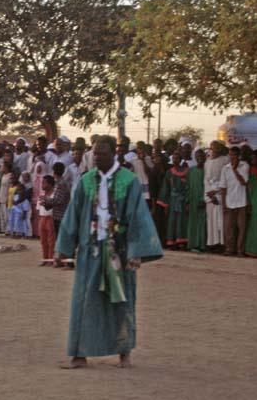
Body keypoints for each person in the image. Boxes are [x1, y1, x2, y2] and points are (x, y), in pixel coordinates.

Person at [55, 135, 163, 370]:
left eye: (102, 153)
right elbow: (73, 214)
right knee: (83, 301)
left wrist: (136, 252)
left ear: (114, 153)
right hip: (90, 251)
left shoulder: (129, 181)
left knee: (121, 301)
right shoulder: (86, 181)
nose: (97, 157)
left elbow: (138, 218)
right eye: (94, 153)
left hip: (119, 253)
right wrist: (63, 247)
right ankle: (79, 355)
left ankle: (124, 353)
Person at [220, 146, 249, 256]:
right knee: (229, 228)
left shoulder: (244, 166)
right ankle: (229, 249)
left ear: (239, 156)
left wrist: (235, 169)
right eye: (230, 155)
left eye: (234, 155)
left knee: (242, 228)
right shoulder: (225, 168)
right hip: (229, 201)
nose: (232, 157)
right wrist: (224, 204)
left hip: (241, 202)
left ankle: (240, 250)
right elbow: (223, 187)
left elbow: (244, 182)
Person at [157, 150, 189, 249]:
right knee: (172, 221)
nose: (175, 160)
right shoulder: (169, 172)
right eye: (173, 159)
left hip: (183, 200)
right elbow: (165, 188)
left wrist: (188, 200)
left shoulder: (187, 172)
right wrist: (165, 204)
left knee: (183, 220)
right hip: (173, 200)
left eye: (177, 158)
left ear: (180, 160)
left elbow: (189, 187)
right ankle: (172, 241)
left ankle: (182, 241)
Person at [204, 141, 229, 250]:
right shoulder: (207, 162)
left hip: (220, 193)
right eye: (211, 148)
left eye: (215, 148)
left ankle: (222, 243)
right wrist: (209, 194)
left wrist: (216, 191)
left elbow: (225, 178)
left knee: (221, 220)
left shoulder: (225, 160)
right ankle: (212, 243)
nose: (213, 150)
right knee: (211, 220)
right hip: (210, 194)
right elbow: (205, 179)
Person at [187, 149, 207, 252]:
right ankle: (193, 244)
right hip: (192, 199)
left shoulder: (207, 170)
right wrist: (187, 201)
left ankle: (202, 245)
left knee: (202, 223)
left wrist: (204, 199)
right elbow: (188, 186)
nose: (199, 158)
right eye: (197, 156)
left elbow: (208, 186)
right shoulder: (191, 170)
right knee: (193, 223)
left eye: (201, 156)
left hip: (203, 200)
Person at [37, 175, 56, 264]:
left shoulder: (54, 194)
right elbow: (38, 209)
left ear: (50, 184)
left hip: (50, 217)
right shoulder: (42, 195)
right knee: (43, 240)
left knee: (51, 240)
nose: (42, 185)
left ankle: (51, 258)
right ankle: (45, 258)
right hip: (42, 217)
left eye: (44, 183)